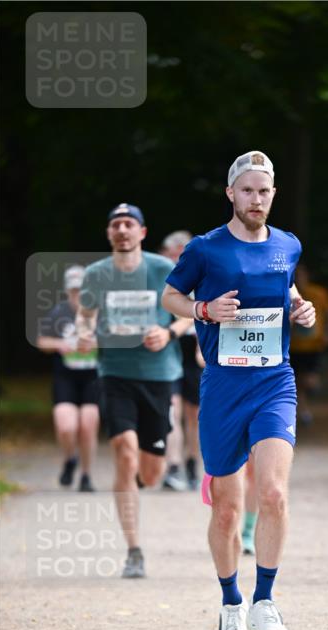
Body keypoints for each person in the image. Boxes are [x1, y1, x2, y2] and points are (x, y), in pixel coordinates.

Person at [161, 151, 316, 630]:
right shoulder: (205, 249)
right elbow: (170, 298)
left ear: (273, 195)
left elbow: (284, 288)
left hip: (275, 381)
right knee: (226, 509)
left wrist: (300, 307)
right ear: (231, 193)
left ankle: (264, 602)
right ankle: (230, 606)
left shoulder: (287, 245)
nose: (256, 199)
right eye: (247, 190)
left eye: (264, 191)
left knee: (272, 494)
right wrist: (203, 309)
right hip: (224, 387)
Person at [76, 203, 190, 578]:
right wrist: (83, 332)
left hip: (159, 375)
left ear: (142, 232)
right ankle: (134, 549)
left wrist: (168, 332)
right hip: (114, 373)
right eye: (116, 225)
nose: (122, 230)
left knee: (152, 474)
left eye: (129, 224)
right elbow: (86, 314)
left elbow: (188, 312)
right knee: (124, 451)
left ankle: (143, 477)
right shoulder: (96, 275)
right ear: (109, 234)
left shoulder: (162, 269)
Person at [36, 265, 100, 491]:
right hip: (65, 378)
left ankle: (86, 475)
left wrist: (97, 343)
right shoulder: (58, 313)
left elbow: (115, 340)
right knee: (66, 427)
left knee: (88, 425)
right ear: (67, 291)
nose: (78, 295)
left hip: (93, 377)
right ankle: (70, 459)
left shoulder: (98, 312)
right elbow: (42, 341)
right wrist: (58, 344)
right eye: (74, 291)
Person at [160, 230, 202, 490]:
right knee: (171, 411)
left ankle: (191, 464)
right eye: (172, 251)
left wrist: (203, 350)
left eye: (181, 251)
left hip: (195, 350)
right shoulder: (161, 278)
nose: (176, 255)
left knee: (194, 416)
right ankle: (172, 466)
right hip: (169, 349)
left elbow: (201, 312)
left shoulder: (201, 273)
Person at [289, 263, 328, 425]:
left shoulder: (319, 293)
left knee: (309, 381)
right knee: (296, 381)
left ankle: (304, 405)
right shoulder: (285, 293)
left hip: (315, 346)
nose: (299, 278)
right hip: (293, 347)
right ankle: (302, 409)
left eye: (301, 275)